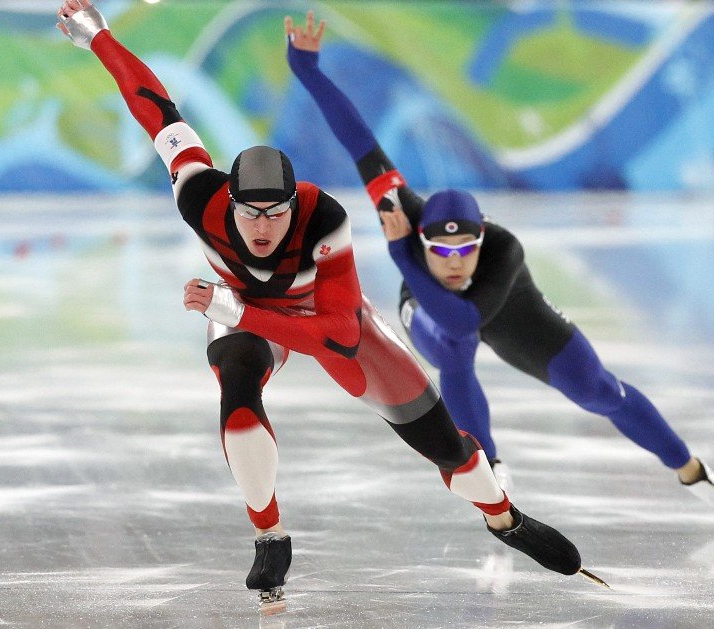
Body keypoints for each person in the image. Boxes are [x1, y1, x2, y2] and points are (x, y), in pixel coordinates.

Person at [55, 0, 605, 608]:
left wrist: (236, 312)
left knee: (447, 446)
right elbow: (154, 106)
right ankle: (270, 536)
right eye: (250, 213)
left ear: (295, 206)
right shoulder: (196, 192)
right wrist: (99, 36)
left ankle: (504, 518)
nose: (263, 227)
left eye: (276, 213)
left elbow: (339, 335)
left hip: (322, 314)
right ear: (229, 202)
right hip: (244, 311)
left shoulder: (324, 220)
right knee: (237, 395)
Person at [284, 11, 714, 524]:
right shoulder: (399, 206)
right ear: (423, 235)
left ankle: (694, 470)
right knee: (453, 348)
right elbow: (359, 138)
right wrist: (309, 71)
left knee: (599, 390)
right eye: (439, 251)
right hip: (424, 302)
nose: (453, 262)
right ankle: (487, 468)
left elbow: (465, 317)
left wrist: (403, 252)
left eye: (465, 249)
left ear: (482, 239)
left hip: (503, 307)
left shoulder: (504, 251)